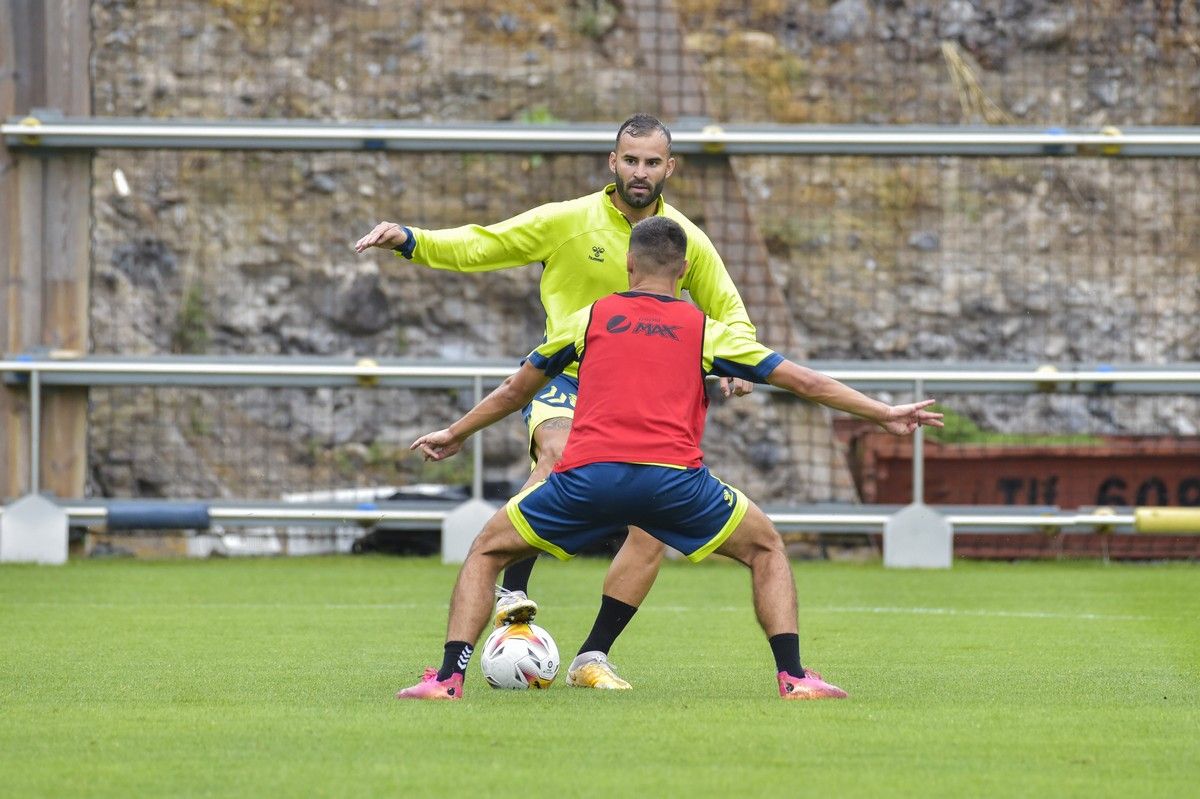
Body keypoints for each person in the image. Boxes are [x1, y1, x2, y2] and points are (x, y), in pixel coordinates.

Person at [395, 216, 943, 701]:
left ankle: (447, 679)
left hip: (588, 478)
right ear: (684, 271)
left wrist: (456, 433)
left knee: (486, 551)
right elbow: (805, 380)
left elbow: (516, 391)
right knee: (766, 548)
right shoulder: (708, 330)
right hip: (674, 484)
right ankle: (794, 677)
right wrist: (883, 413)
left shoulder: (587, 319)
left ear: (628, 264)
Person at [355, 113, 758, 689]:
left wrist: (737, 365)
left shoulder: (684, 241)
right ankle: (513, 589)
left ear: (670, 168)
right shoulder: (568, 221)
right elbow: (485, 243)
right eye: (630, 160)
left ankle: (592, 656)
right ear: (611, 162)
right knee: (560, 449)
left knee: (652, 526)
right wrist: (412, 241)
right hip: (568, 380)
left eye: (651, 162)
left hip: (651, 395)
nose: (639, 172)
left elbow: (729, 308)